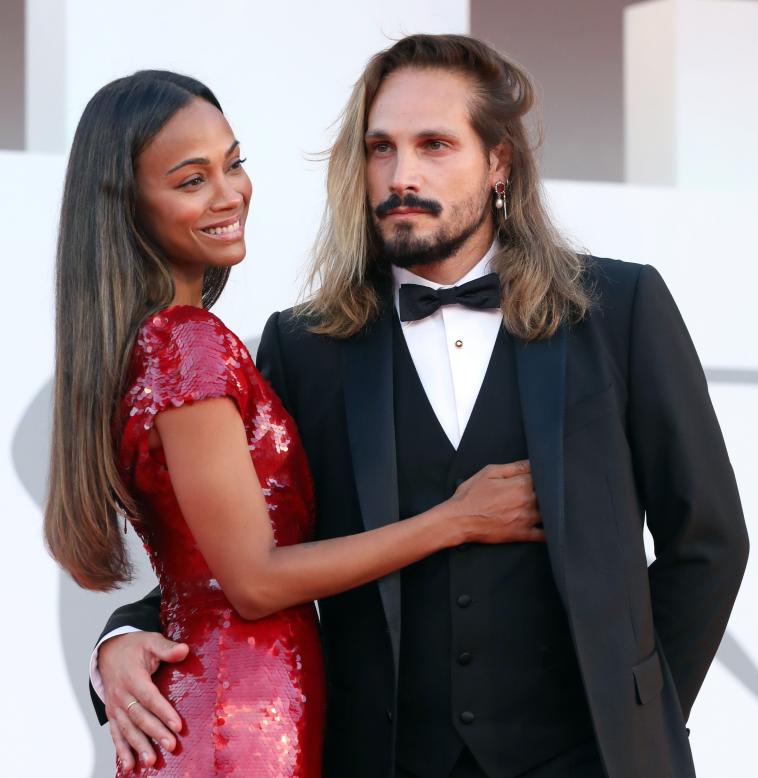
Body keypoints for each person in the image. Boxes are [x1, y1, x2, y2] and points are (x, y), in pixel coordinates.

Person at [93, 35, 750, 778]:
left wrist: (635, 722)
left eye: (434, 145)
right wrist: (118, 641)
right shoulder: (304, 348)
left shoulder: (621, 311)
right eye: (381, 149)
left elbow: (709, 542)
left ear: (499, 160)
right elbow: (247, 549)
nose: (401, 175)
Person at [44, 69, 544, 777]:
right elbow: (252, 580)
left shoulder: (163, 343)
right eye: (192, 181)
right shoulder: (187, 343)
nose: (229, 194)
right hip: (238, 716)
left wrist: (120, 638)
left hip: (249, 703)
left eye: (234, 162)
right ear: (126, 207)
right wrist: (456, 520)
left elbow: (206, 563)